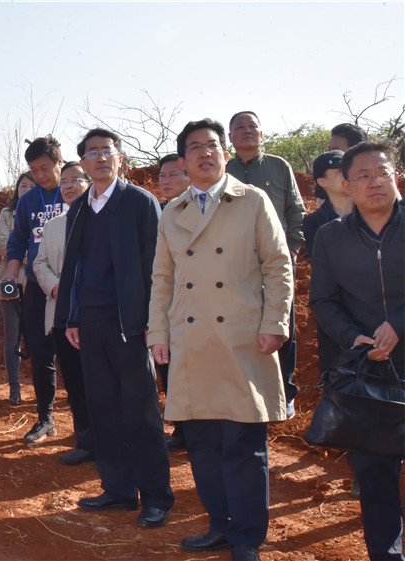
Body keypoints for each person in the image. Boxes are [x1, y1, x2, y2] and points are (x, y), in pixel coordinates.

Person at [150, 118, 294, 561]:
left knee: (243, 445)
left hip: (243, 339)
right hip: (190, 342)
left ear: (224, 153)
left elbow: (278, 265)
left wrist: (275, 323)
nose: (204, 152)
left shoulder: (253, 200)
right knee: (203, 445)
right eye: (194, 146)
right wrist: (158, 333)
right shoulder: (172, 212)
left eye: (212, 144)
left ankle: (247, 538)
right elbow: (162, 279)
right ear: (183, 160)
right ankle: (220, 525)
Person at [55, 129, 173, 528]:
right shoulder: (79, 209)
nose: (101, 157)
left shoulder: (140, 202)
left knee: (140, 411)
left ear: (120, 158)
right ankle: (118, 489)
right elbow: (73, 268)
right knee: (103, 408)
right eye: (92, 152)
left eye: (107, 150)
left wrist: (155, 322)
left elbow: (158, 267)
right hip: (90, 324)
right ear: (83, 163)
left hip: (131, 325)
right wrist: (71, 317)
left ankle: (156, 496)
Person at [310, 140, 404, 561]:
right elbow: (322, 300)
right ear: (346, 185)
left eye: (382, 172)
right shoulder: (330, 237)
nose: (374, 182)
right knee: (375, 478)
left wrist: (397, 326)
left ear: (396, 177)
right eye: (363, 175)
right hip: (366, 376)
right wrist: (354, 338)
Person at [226, 111, 304, 418]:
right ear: (230, 137)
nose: (247, 131)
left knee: (282, 324)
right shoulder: (224, 170)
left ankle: (285, 393)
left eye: (253, 127)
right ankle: (244, 392)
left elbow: (296, 210)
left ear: (261, 134)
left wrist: (292, 249)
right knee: (238, 324)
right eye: (240, 128)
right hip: (233, 263)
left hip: (275, 261)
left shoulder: (279, 166)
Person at [3, 136, 67, 443]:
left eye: (45, 168)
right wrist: (12, 275)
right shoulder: (28, 201)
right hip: (37, 287)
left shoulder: (75, 192)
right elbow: (17, 240)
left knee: (77, 356)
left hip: (73, 288)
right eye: (34, 170)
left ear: (59, 162)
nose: (39, 175)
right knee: (41, 355)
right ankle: (45, 418)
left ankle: (88, 423)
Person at [31, 161, 95, 467]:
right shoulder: (54, 224)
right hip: (62, 313)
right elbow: (39, 262)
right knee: (75, 382)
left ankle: (110, 440)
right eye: (65, 181)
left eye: (75, 180)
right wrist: (56, 286)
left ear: (89, 183)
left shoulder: (103, 220)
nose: (68, 186)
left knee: (101, 382)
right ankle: (85, 441)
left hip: (97, 314)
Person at [156, 153, 189, 452]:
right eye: (162, 176)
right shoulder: (161, 212)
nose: (165, 181)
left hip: (197, 305)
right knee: (170, 368)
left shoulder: (204, 209)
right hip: (167, 304)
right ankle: (182, 429)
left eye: (172, 175)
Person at [0, 171, 34, 403]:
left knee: (41, 338)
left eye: (32, 186)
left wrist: (20, 252)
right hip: (10, 283)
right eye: (23, 186)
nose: (26, 190)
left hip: (39, 283)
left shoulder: (45, 212)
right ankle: (14, 388)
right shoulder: (7, 214)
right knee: (12, 337)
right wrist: (34, 255)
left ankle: (42, 388)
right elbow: (2, 246)